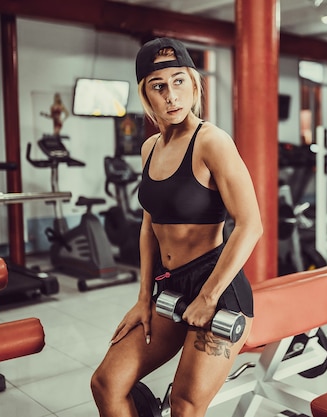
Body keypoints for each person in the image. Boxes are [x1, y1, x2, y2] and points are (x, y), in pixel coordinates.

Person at [91, 37, 263, 417]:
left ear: (194, 84)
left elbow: (251, 225)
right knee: (106, 383)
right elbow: (149, 226)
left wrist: (207, 297)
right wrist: (142, 298)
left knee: (184, 406)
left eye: (179, 81)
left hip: (217, 288)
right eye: (159, 86)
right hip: (169, 288)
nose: (171, 95)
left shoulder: (212, 141)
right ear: (146, 95)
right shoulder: (149, 147)